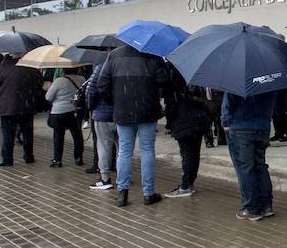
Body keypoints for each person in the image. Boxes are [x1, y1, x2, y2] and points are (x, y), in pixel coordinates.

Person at [98, 42, 169, 207]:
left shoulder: (114, 55)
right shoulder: (153, 55)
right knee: (147, 150)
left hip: (123, 111)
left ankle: (122, 193)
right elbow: (164, 80)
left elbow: (102, 85)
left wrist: (116, 101)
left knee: (124, 151)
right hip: (147, 110)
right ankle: (148, 193)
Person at [222, 87, 276, 221]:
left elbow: (229, 101)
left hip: (241, 127)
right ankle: (266, 205)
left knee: (245, 168)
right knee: (260, 165)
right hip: (262, 126)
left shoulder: (238, 76)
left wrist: (225, 121)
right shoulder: (270, 77)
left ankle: (252, 208)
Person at [0, 55, 44, 167]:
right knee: (27, 133)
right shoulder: (31, 68)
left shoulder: (4, 69)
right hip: (27, 106)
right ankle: (28, 156)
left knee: (8, 134)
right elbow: (40, 83)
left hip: (8, 107)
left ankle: (7, 159)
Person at [163, 71, 210, 198]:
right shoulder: (197, 71)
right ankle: (189, 182)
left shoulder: (171, 73)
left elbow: (170, 99)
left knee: (188, 153)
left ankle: (186, 185)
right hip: (199, 117)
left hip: (183, 119)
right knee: (194, 152)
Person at [84, 59, 117, 191]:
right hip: (122, 114)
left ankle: (105, 179)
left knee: (104, 146)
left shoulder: (101, 67)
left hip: (102, 114)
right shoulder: (126, 66)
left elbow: (90, 90)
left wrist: (91, 107)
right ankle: (123, 177)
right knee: (123, 149)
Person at [44, 68, 86, 169]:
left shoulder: (59, 80)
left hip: (59, 112)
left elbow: (48, 97)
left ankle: (57, 160)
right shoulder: (82, 79)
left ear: (64, 70)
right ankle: (78, 158)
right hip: (74, 111)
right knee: (77, 135)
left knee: (58, 136)